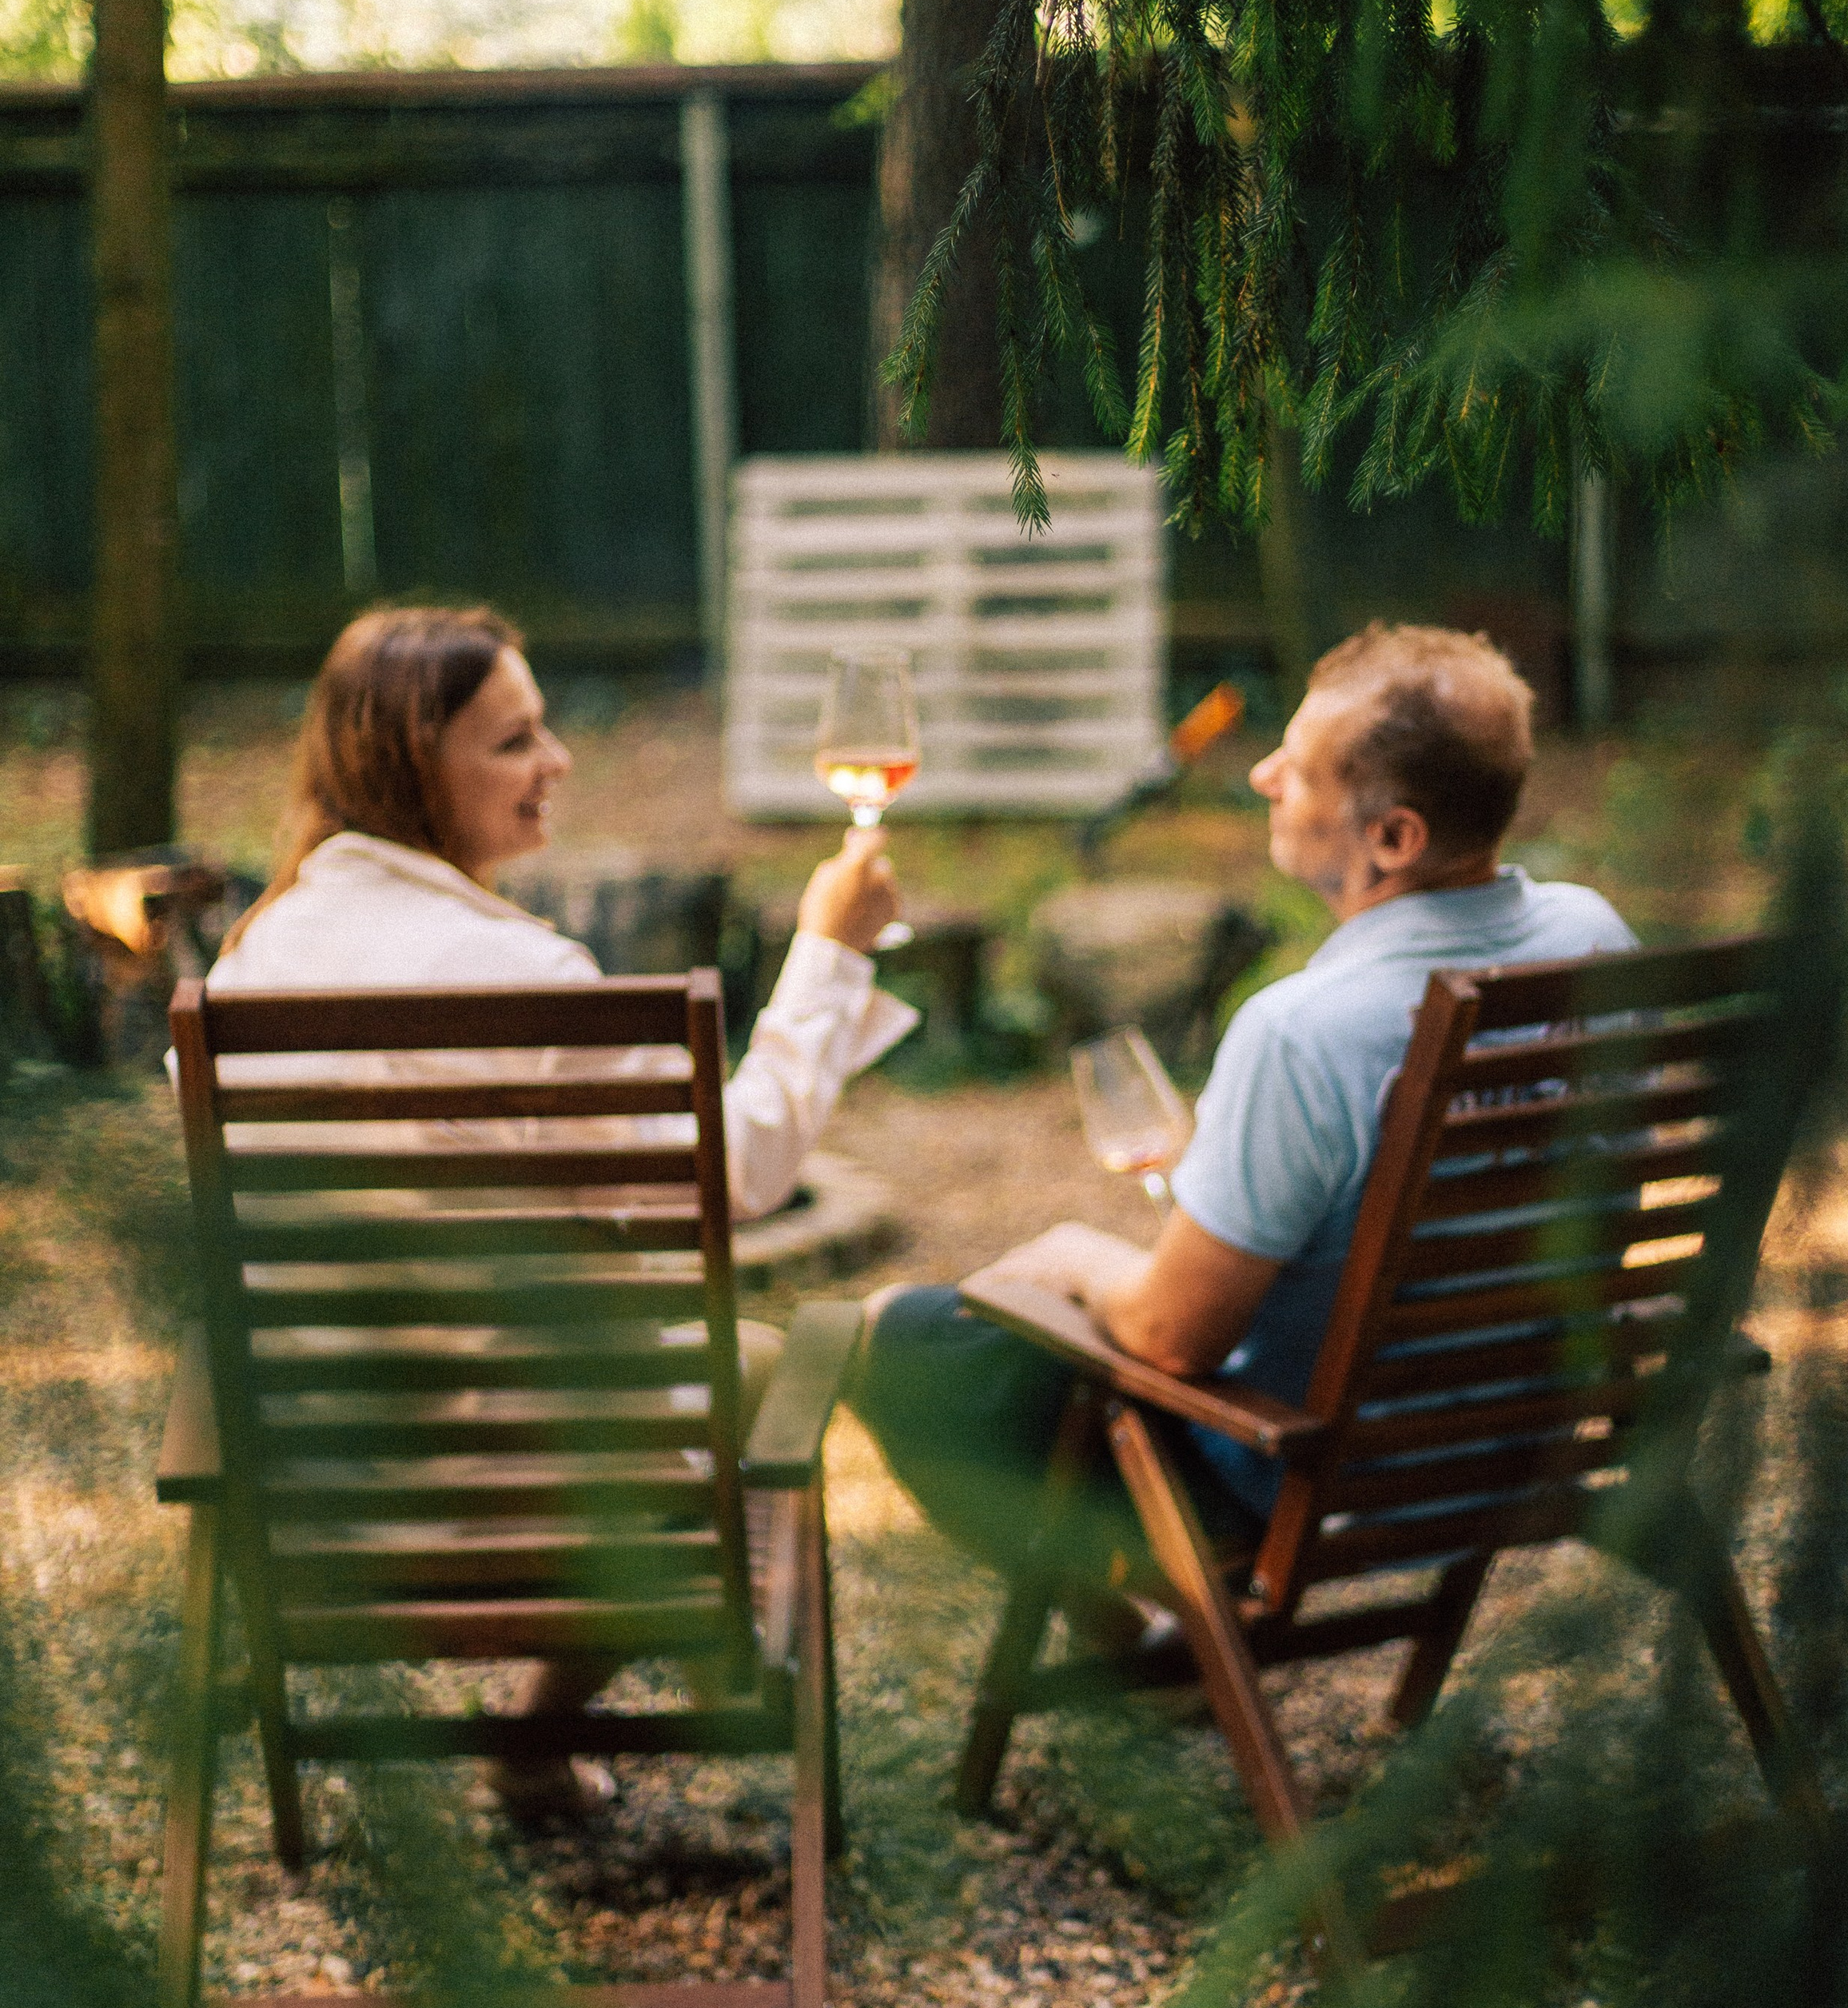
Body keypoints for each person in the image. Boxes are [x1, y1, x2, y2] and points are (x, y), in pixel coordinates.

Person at [209, 602, 919, 1816]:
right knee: (760, 1371)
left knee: (728, 1362)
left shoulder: (252, 961)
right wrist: (829, 953)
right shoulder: (528, 982)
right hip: (550, 1495)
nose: (559, 762)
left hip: (319, 1500)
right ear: (407, 763)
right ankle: (569, 1712)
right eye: (515, 742)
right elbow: (736, 1174)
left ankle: (533, 1750)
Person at [850, 623, 1636, 1601]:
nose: (1262, 774)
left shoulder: (1303, 1032)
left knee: (895, 1339)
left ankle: (1153, 1651)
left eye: (1300, 770)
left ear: (1393, 838)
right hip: (1527, 1442)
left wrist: (1071, 1258)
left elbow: (1173, 1341)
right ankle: (1176, 1658)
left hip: (1317, 1476)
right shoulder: (1593, 936)